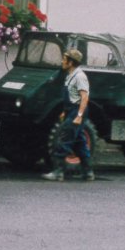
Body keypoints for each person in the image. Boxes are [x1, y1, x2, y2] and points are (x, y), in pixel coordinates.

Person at [42, 49, 95, 182]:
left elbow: (84, 97)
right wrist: (65, 111)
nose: (62, 61)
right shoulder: (70, 75)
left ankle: (58, 172)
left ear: (71, 62)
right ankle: (88, 173)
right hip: (71, 110)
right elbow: (71, 96)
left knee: (64, 139)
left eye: (65, 59)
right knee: (80, 142)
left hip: (77, 111)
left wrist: (79, 115)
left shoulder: (79, 76)